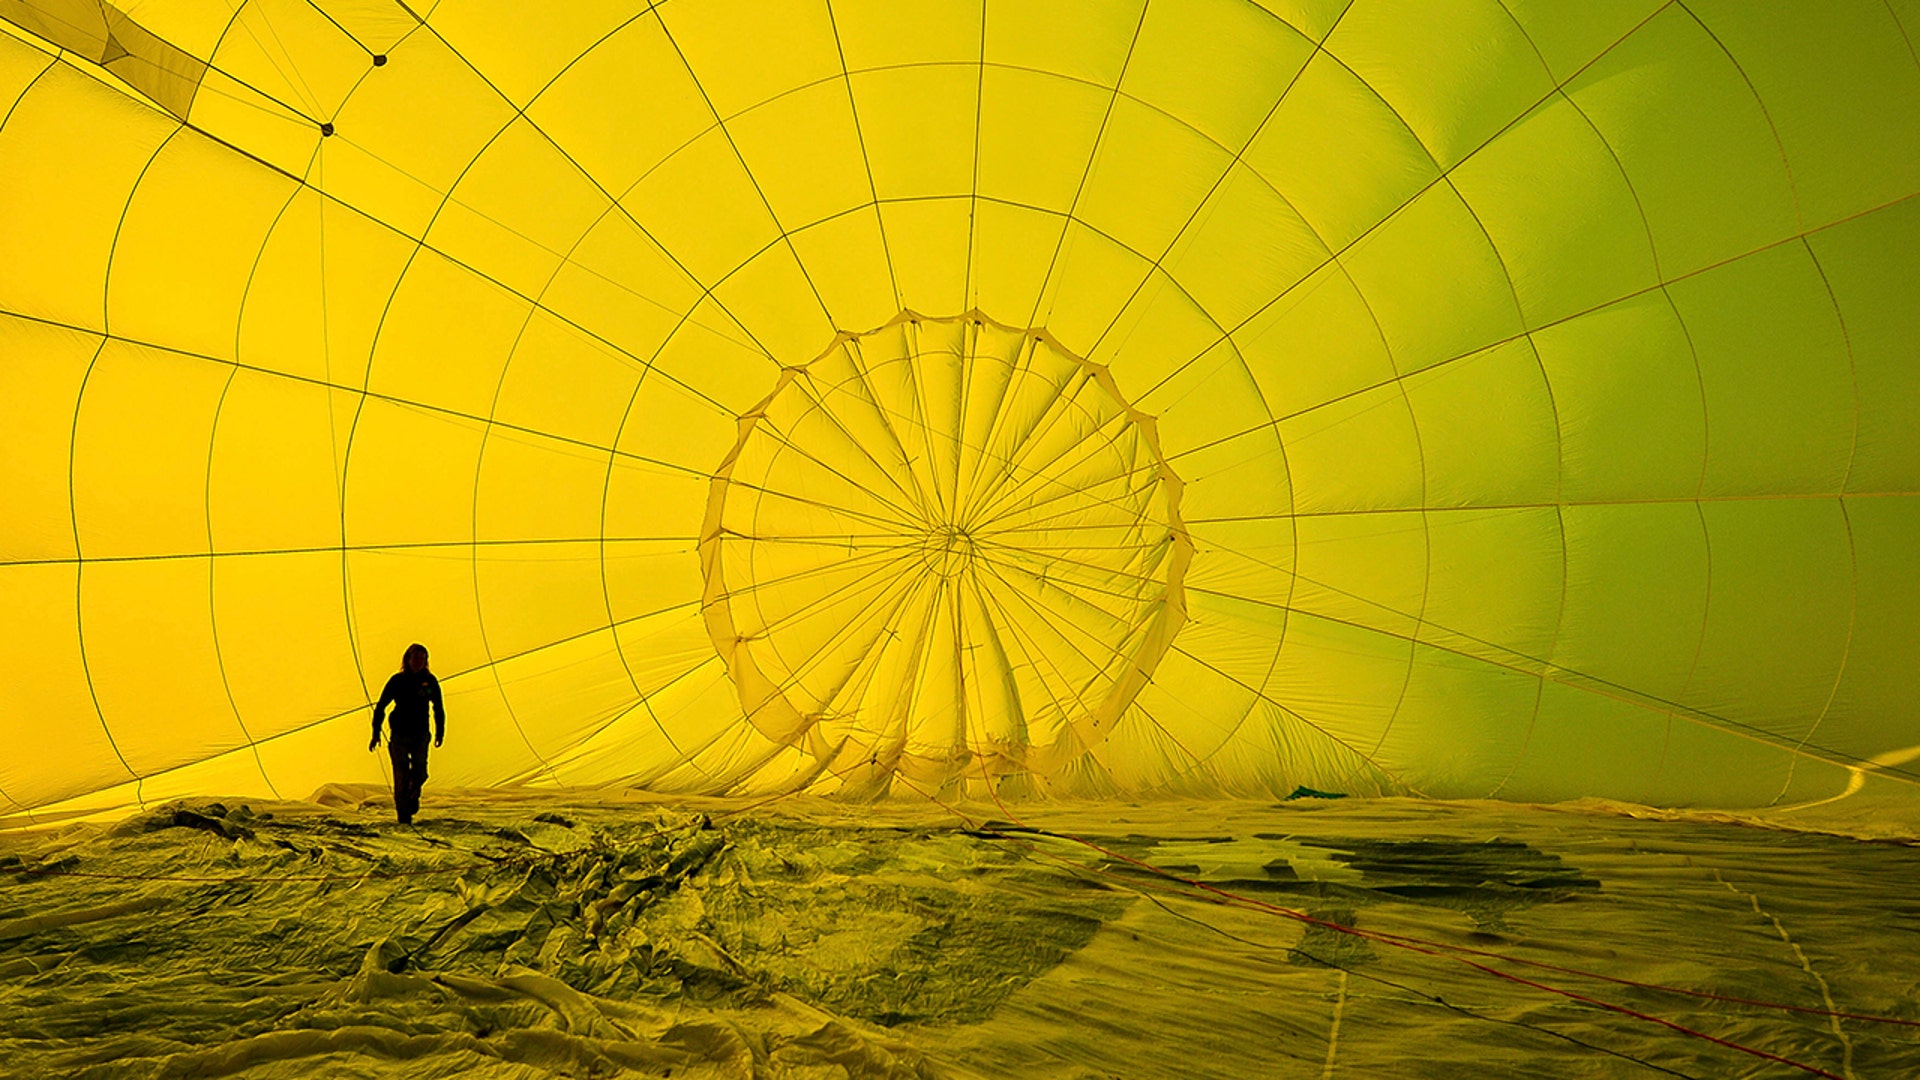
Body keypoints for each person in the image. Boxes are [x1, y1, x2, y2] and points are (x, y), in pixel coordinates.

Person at [369, 643, 444, 824]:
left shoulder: (430, 681)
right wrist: (376, 732)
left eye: (422, 659)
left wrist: (440, 731)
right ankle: (403, 815)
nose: (419, 662)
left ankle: (414, 790)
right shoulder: (397, 681)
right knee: (401, 773)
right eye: (416, 658)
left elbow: (438, 707)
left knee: (420, 772)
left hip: (420, 734)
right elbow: (381, 706)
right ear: (408, 659)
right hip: (400, 734)